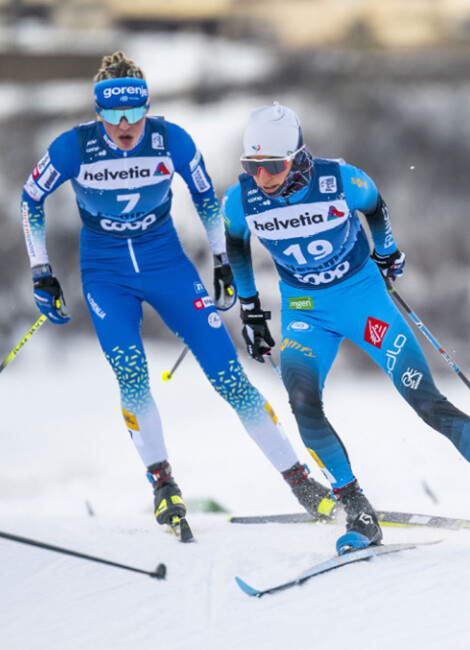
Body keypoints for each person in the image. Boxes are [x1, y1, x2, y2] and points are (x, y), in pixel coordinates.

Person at [21, 53, 337, 537]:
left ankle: (301, 482)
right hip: (106, 273)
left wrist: (221, 262)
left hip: (165, 263)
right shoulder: (73, 147)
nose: (124, 126)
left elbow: (207, 198)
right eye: (112, 113)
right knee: (132, 376)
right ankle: (163, 483)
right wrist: (41, 271)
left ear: (147, 107)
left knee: (229, 374)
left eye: (134, 113)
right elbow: (31, 199)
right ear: (97, 110)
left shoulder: (172, 140)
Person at [222, 102, 470, 554]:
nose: (262, 177)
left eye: (272, 165)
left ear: (297, 156)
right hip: (305, 312)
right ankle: (356, 507)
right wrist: (251, 311)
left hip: (364, 303)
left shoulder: (340, 180)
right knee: (302, 401)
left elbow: (375, 207)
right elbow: (236, 247)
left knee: (426, 401)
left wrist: (388, 252)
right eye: (252, 167)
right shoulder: (240, 200)